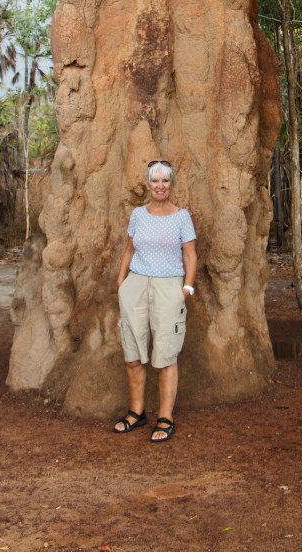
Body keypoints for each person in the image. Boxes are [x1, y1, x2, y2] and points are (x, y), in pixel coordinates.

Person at [114, 159, 197, 443]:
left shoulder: (181, 217)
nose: (160, 186)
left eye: (165, 181)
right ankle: (137, 413)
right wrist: (121, 283)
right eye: (155, 181)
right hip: (136, 284)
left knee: (165, 355)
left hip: (168, 287)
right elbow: (129, 249)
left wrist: (185, 289)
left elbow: (190, 256)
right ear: (148, 185)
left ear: (171, 185)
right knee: (133, 352)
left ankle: (166, 417)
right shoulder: (138, 215)